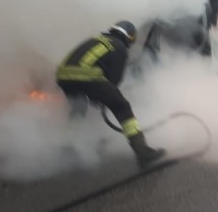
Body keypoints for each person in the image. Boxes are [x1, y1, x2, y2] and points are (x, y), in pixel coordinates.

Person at [56, 20, 165, 168]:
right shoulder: (119, 47)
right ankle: (142, 151)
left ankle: (66, 149)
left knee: (79, 108)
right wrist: (104, 96)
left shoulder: (96, 39)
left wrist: (98, 94)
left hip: (63, 76)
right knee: (122, 106)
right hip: (86, 76)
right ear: (130, 37)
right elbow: (114, 79)